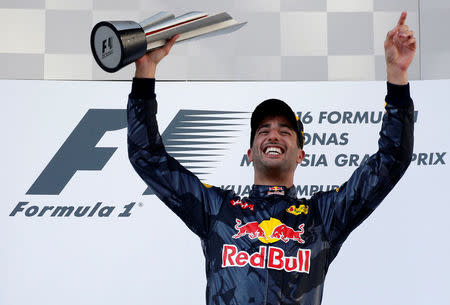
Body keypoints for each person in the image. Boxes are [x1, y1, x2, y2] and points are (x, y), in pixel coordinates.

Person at [127, 11, 416, 305]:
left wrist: (397, 77)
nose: (273, 135)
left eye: (285, 131)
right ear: (251, 153)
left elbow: (392, 159)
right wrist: (145, 73)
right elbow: (147, 157)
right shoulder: (218, 210)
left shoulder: (323, 217)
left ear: (301, 154)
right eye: (263, 130)